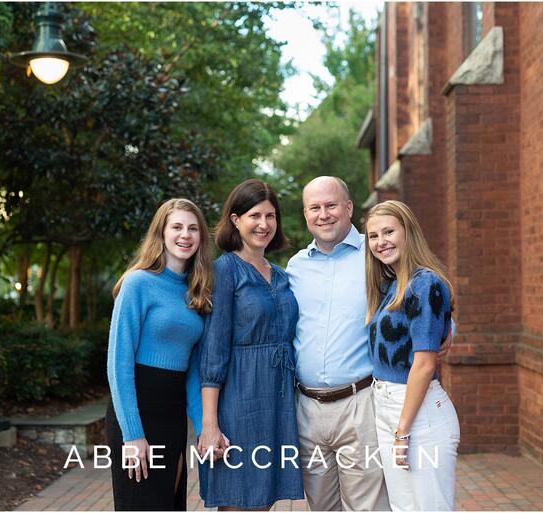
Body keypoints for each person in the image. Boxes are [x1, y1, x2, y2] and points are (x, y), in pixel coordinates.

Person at [286, 176, 452, 511]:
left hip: (361, 402)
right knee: (320, 506)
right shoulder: (296, 267)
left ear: (348, 208)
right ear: (305, 214)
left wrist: (449, 329)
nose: (324, 214)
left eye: (331, 205)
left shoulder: (376, 252)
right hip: (306, 407)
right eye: (314, 208)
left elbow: (419, 293)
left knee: (369, 506)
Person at [197, 179, 304, 510]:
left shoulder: (282, 275)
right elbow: (213, 353)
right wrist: (210, 424)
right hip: (239, 401)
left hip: (279, 399)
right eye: (254, 215)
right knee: (239, 497)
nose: (264, 224)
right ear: (235, 220)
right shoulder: (225, 271)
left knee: (264, 498)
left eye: (270, 216)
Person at [105, 198, 213, 511]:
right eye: (177, 227)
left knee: (170, 503)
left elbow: (192, 372)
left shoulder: (196, 292)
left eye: (193, 228)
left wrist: (203, 426)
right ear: (161, 233)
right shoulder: (138, 283)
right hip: (138, 408)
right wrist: (133, 435)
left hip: (172, 412)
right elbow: (118, 364)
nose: (185, 235)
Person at [365, 200, 459, 511]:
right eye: (374, 236)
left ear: (408, 233)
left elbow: (423, 364)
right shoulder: (391, 285)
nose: (381, 242)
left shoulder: (424, 283)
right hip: (388, 408)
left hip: (419, 415)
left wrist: (403, 431)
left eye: (389, 231)